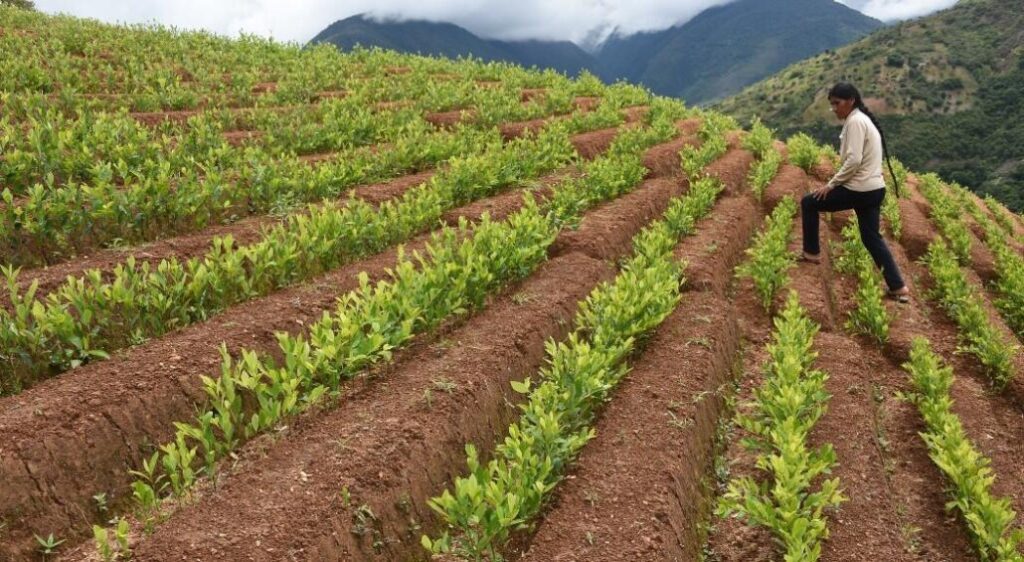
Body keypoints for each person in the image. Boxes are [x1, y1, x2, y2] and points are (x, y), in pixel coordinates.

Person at [801, 82, 911, 303]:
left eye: (837, 103)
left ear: (850, 101)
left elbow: (854, 160)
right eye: (831, 104)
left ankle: (811, 253)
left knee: (809, 203)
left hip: (859, 189)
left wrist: (831, 184)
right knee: (872, 237)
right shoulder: (860, 119)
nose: (834, 108)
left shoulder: (855, 122)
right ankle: (898, 287)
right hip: (874, 189)